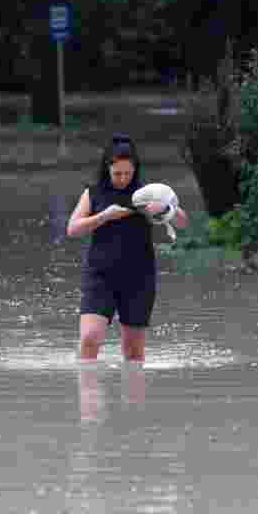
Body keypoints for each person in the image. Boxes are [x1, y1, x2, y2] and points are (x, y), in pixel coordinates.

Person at [66, 133, 189, 362]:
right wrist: (103, 216)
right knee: (89, 338)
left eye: (128, 173)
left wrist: (165, 209)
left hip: (138, 278)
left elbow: (182, 222)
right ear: (107, 169)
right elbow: (72, 229)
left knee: (133, 353)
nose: (123, 178)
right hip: (100, 275)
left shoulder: (147, 194)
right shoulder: (93, 193)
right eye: (117, 174)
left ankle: (133, 397)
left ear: (135, 170)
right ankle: (87, 395)